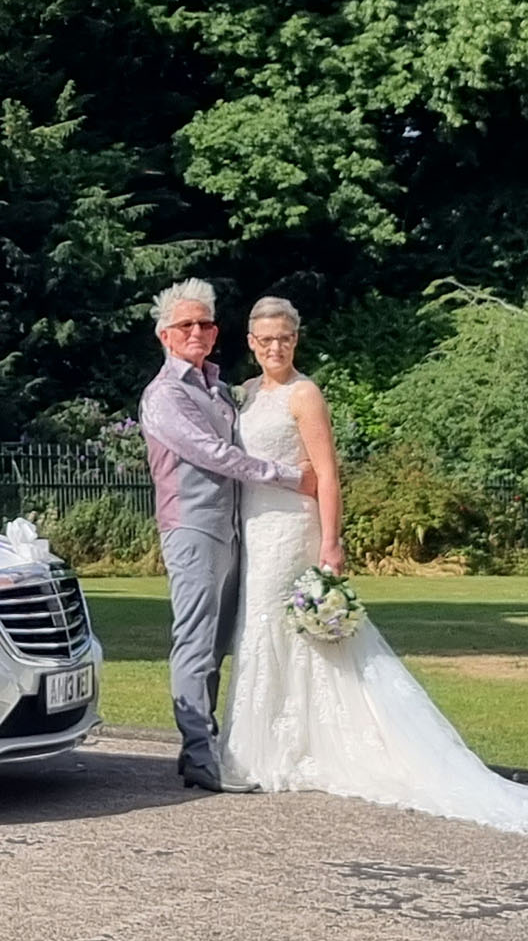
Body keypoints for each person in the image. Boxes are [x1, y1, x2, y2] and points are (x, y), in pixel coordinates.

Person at [221, 297, 528, 832]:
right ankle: (265, 743)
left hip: (294, 527)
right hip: (255, 527)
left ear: (297, 339)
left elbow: (328, 473)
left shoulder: (305, 393)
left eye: (284, 338)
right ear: (250, 341)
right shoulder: (246, 395)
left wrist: (332, 542)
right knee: (260, 630)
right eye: (265, 339)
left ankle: (284, 748)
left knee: (284, 628)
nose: (275, 347)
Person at [139, 279, 317, 793]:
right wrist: (287, 476)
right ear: (165, 336)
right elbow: (213, 455)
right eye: (185, 325)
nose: (196, 331)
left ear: (216, 333)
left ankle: (201, 746)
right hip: (192, 528)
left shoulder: (218, 389)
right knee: (194, 643)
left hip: (236, 531)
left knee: (218, 645)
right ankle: (200, 753)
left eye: (205, 324)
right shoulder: (166, 394)